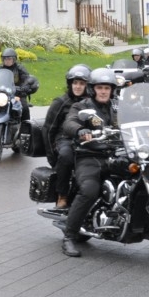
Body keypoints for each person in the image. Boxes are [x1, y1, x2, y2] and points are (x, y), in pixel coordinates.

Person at [59, 68, 120, 257]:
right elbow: (69, 122)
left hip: (115, 154)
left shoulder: (118, 107)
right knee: (89, 190)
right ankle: (69, 237)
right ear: (93, 89)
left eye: (107, 88)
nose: (103, 91)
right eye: (100, 88)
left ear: (112, 90)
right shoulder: (82, 106)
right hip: (89, 155)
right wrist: (79, 130)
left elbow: (140, 117)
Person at [42, 64, 91, 210]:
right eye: (75, 83)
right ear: (70, 84)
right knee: (66, 155)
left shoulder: (91, 102)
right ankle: (62, 195)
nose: (78, 86)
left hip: (87, 138)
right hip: (65, 138)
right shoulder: (60, 102)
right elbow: (48, 129)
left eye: (81, 83)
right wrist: (52, 157)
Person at [0, 47, 32, 122]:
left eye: (9, 59)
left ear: (14, 59)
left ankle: (25, 125)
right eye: (5, 59)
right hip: (2, 93)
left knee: (24, 106)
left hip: (17, 93)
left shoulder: (19, 68)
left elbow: (26, 78)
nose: (7, 61)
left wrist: (25, 86)